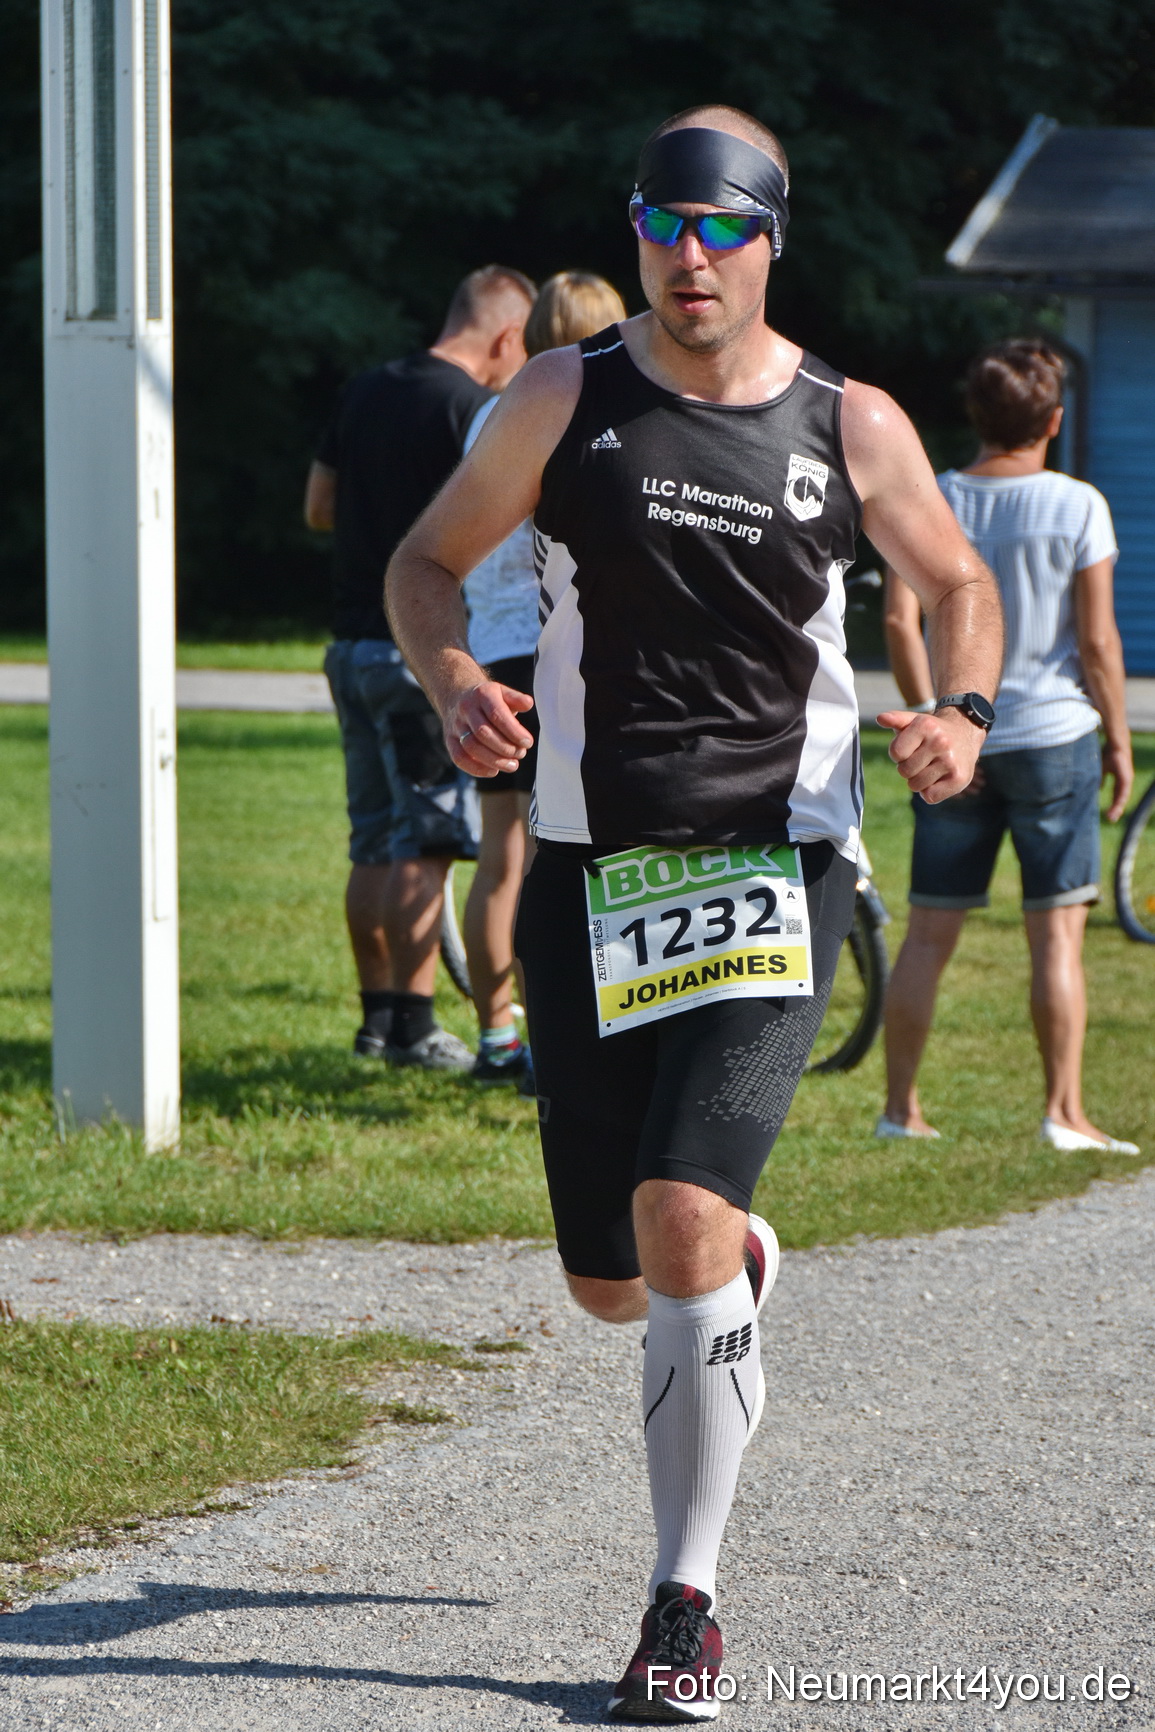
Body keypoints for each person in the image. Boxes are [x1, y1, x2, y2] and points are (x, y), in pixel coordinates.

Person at [387, 105, 1001, 1722]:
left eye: (725, 227)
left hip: (773, 869)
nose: (692, 255)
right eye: (667, 225)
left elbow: (955, 581)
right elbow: (424, 564)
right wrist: (451, 671)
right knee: (613, 1280)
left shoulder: (847, 422)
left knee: (674, 1213)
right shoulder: (559, 399)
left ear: (771, 238)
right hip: (590, 875)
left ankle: (683, 1604)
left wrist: (970, 714)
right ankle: (723, 1259)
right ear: (641, 233)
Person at [878, 338, 1138, 1154]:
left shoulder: (932, 496)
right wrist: (1121, 738)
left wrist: (934, 713)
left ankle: (900, 1111)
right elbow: (1095, 641)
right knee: (1055, 934)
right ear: (1053, 421)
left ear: (974, 416)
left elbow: (896, 618)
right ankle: (1062, 1113)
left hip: (957, 743)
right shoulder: (1076, 505)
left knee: (926, 933)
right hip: (1052, 734)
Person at [304, 265, 535, 1069]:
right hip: (417, 651)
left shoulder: (364, 388)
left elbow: (317, 507)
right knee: (427, 844)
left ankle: (374, 1020)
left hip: (348, 643)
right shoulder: (469, 409)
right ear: (508, 337)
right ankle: (412, 1022)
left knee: (371, 840)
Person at [462, 272, 628, 1087]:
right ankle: (564, 1035)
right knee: (567, 853)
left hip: (486, 646)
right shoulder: (582, 414)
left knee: (500, 857)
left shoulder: (488, 415)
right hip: (554, 652)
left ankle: (499, 1035)